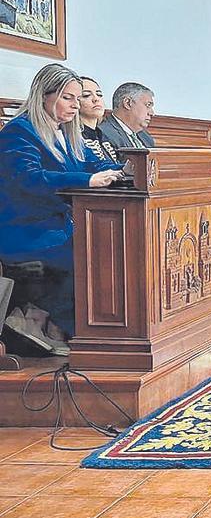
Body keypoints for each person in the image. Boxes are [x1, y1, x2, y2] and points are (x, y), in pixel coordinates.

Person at [0, 63, 124, 339]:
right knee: (92, 255)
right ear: (44, 95)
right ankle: (70, 328)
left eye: (76, 99)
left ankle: (69, 326)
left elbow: (92, 163)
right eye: (67, 98)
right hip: (26, 231)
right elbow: (28, 180)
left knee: (110, 248)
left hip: (57, 227)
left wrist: (125, 170)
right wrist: (87, 181)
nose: (76, 106)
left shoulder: (66, 133)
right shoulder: (20, 131)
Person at [97, 82, 156, 159]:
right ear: (127, 103)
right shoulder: (103, 134)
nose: (152, 113)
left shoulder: (146, 137)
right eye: (148, 105)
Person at [77, 76, 119, 163]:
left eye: (99, 95)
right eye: (86, 95)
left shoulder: (103, 135)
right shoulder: (74, 137)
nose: (96, 99)